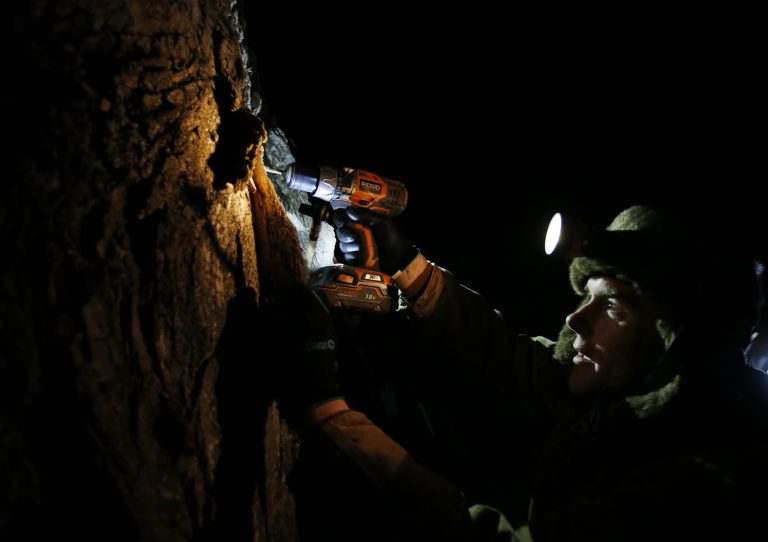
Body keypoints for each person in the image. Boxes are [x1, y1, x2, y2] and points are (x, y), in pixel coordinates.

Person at [273, 204, 768, 541]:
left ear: (676, 341)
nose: (577, 320)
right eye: (586, 295)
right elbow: (513, 364)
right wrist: (410, 268)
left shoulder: (702, 482)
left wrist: (329, 414)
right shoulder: (625, 393)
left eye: (613, 304)